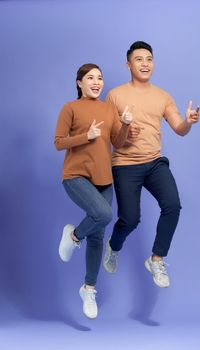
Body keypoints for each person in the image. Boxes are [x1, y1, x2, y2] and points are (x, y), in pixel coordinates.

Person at [103, 41, 200, 288]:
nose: (145, 64)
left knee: (173, 205)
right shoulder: (115, 95)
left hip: (154, 162)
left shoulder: (163, 96)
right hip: (124, 164)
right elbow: (111, 138)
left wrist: (188, 122)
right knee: (130, 220)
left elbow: (179, 129)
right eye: (139, 59)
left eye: (149, 59)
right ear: (128, 64)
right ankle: (113, 247)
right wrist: (125, 127)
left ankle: (156, 259)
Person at [54, 63, 132, 319]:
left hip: (104, 179)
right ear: (79, 83)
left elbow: (118, 143)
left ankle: (88, 289)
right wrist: (85, 136)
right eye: (90, 78)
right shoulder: (70, 108)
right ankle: (74, 236)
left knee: (98, 237)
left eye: (100, 78)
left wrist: (126, 124)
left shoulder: (109, 109)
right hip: (75, 176)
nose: (97, 82)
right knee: (104, 214)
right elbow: (58, 142)